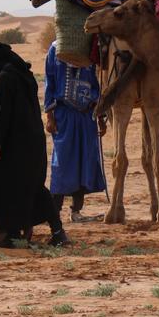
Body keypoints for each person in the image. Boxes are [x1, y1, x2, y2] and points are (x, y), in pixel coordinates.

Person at [0, 41, 68, 247]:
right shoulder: (24, 75)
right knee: (33, 188)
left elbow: (2, 113)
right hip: (32, 143)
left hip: (12, 146)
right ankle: (58, 231)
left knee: (7, 188)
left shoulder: (5, 78)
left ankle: (14, 235)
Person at [43, 43, 106, 222]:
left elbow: (98, 83)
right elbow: (50, 80)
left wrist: (101, 116)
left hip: (87, 115)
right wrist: (49, 116)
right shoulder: (56, 49)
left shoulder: (92, 50)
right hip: (64, 114)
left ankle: (76, 211)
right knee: (63, 161)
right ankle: (54, 213)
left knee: (84, 161)